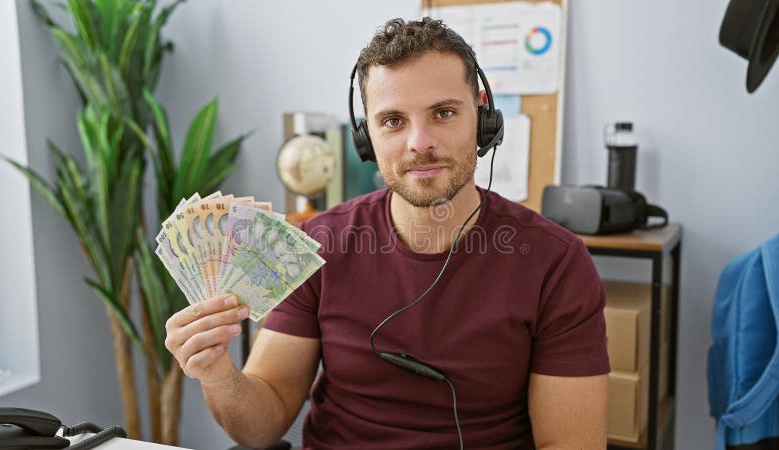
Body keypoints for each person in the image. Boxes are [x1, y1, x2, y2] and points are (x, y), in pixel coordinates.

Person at [165, 17, 609, 450]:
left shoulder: (557, 262)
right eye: (393, 121)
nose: (419, 142)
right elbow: (261, 426)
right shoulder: (317, 245)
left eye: (443, 113)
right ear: (366, 138)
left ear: (482, 118)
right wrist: (218, 373)